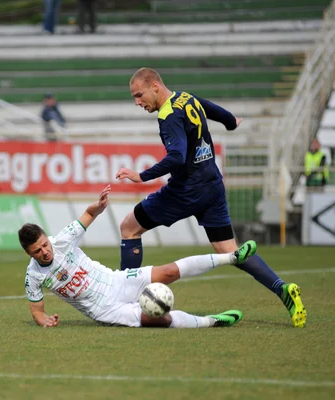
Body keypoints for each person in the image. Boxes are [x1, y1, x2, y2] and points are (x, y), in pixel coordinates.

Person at [114, 67, 306, 328]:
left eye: (139, 95)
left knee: (129, 227)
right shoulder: (184, 97)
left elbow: (176, 157)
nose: (137, 102)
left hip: (185, 191)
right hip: (212, 186)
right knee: (229, 251)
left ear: (155, 87)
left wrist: (142, 175)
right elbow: (208, 107)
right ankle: (282, 289)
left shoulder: (168, 115)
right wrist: (229, 121)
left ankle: (125, 302)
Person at [20, 185, 255, 329]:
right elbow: (37, 310)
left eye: (44, 244)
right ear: (29, 254)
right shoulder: (33, 276)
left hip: (116, 281)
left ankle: (233, 257)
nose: (45, 251)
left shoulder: (61, 240)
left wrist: (99, 206)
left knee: (167, 272)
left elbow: (87, 214)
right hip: (105, 310)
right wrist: (44, 320)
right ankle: (211, 321)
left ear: (46, 237)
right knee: (158, 319)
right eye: (37, 251)